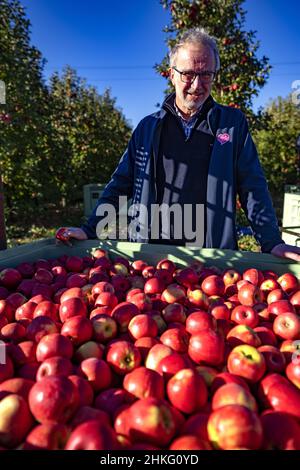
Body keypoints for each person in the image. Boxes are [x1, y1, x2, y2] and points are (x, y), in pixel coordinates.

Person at [56, 27, 300, 262]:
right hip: (151, 255)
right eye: (188, 74)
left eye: (206, 75)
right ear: (172, 74)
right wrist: (90, 230)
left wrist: (271, 242)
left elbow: (252, 186)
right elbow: (121, 184)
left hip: (212, 257)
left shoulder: (232, 124)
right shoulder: (147, 129)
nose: (197, 85)